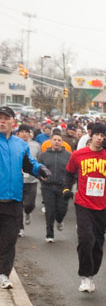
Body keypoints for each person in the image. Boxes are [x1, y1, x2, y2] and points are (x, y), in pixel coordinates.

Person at [63, 123, 106, 293]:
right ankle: (84, 276)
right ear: (91, 135)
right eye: (97, 134)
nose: (100, 138)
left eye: (103, 135)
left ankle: (92, 274)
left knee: (98, 243)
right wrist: (66, 188)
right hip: (83, 203)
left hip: (103, 205)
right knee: (86, 239)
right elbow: (69, 173)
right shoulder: (79, 154)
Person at [0, 106, 50, 289]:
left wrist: (40, 169)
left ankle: (4, 274)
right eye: (0, 118)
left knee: (10, 239)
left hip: (14, 200)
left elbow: (29, 164)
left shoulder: (20, 144)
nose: (2, 121)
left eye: (6, 118)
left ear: (13, 122)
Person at [37, 130, 71, 243]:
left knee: (62, 210)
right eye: (55, 140)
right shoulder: (44, 155)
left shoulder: (68, 155)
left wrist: (70, 183)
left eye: (59, 140)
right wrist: (40, 177)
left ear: (62, 142)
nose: (57, 142)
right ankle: (49, 233)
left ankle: (60, 220)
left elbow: (72, 171)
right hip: (47, 186)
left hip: (62, 186)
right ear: (51, 141)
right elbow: (38, 169)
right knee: (50, 210)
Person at [16, 124, 41, 236]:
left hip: (31, 180)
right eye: (22, 132)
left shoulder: (35, 146)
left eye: (27, 132)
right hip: (18, 181)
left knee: (29, 204)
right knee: (18, 205)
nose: (25, 134)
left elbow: (39, 160)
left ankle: (28, 212)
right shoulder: (13, 145)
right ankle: (20, 228)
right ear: (18, 134)